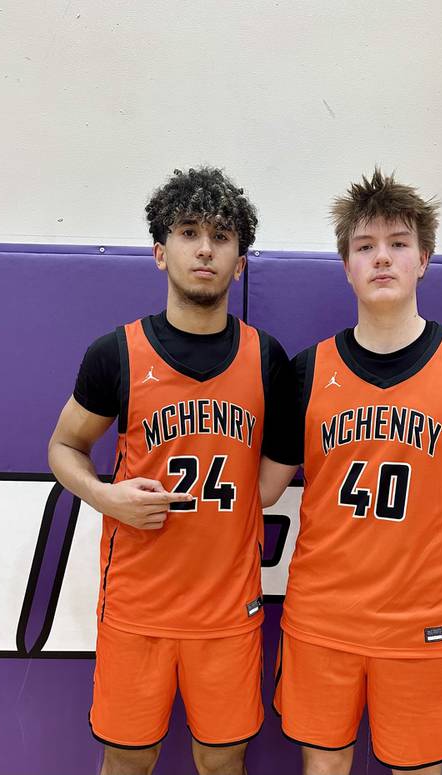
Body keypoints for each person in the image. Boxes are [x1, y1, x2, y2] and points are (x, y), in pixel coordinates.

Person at [260, 168, 442, 774]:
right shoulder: (306, 371)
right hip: (321, 622)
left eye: (398, 244)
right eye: (365, 247)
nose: (382, 258)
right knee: (322, 768)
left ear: (423, 259)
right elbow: (263, 490)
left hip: (425, 625)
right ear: (346, 266)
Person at [48, 167, 294, 775]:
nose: (205, 248)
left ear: (241, 262)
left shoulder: (266, 358)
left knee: (220, 761)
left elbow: (274, 472)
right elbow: (63, 449)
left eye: (222, 236)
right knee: (129, 761)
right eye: (189, 233)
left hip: (226, 609)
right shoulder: (117, 353)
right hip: (138, 606)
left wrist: (244, 501)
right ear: (161, 252)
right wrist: (106, 496)